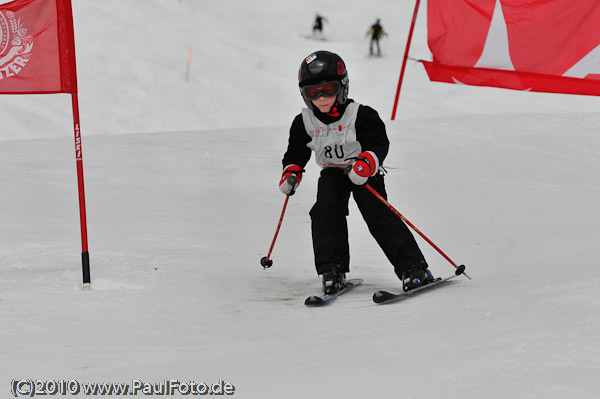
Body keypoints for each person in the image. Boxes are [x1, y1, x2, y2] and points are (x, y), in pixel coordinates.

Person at [279, 50, 431, 294]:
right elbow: (296, 152)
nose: (321, 98)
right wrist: (292, 172)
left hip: (363, 172)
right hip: (332, 174)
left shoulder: (361, 115)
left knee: (378, 215)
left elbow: (378, 142)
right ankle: (332, 270)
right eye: (312, 92)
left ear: (342, 87)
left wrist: (367, 162)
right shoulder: (304, 122)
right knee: (324, 213)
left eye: (327, 89)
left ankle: (414, 268)